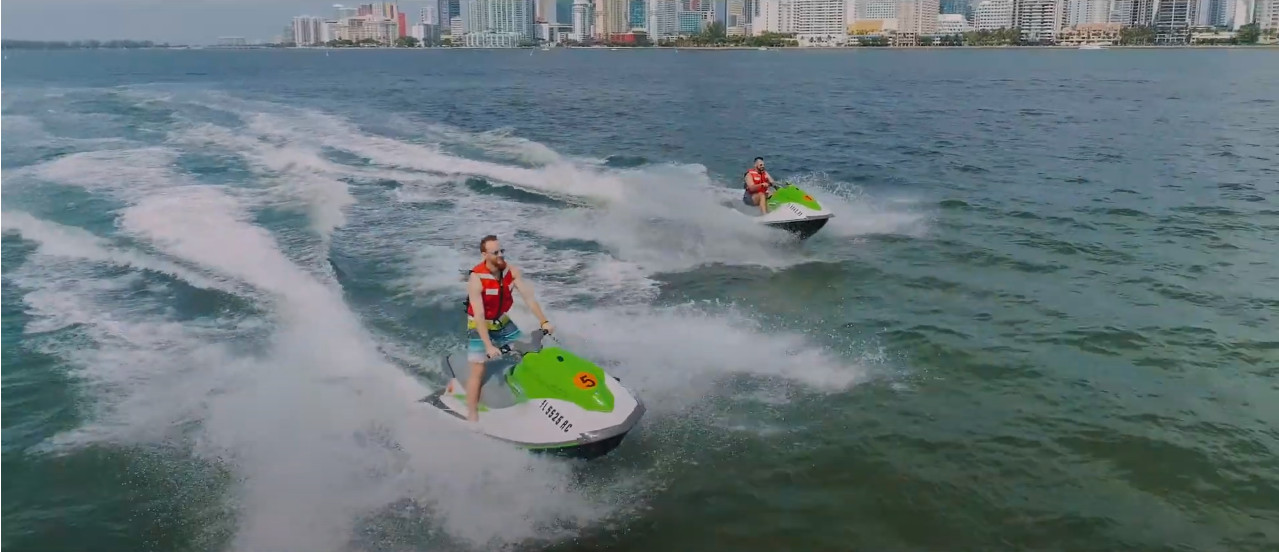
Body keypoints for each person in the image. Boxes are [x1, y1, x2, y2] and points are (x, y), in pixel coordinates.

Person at [464, 234, 554, 422]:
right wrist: (489, 346)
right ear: (484, 255)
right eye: (495, 252)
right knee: (478, 369)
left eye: (501, 251)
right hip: (478, 324)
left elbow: (528, 298)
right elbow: (479, 315)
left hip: (500, 320)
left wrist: (544, 321)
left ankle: (537, 392)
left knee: (529, 351)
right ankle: (472, 413)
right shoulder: (476, 278)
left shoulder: (510, 271)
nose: (500, 255)